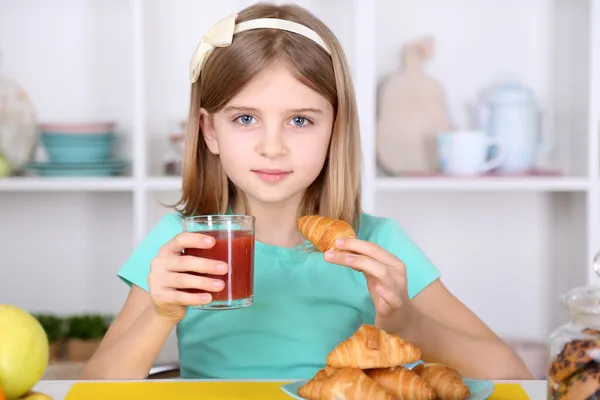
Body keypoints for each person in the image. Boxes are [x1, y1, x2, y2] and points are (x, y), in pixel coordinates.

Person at [80, 2, 532, 381]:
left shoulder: (374, 245)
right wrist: (161, 314)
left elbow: (516, 377)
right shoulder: (182, 245)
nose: (272, 147)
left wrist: (411, 325)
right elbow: (95, 388)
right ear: (209, 132)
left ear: (334, 131)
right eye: (244, 118)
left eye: (300, 120)